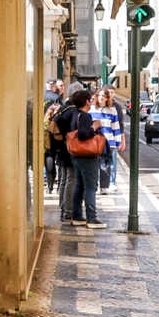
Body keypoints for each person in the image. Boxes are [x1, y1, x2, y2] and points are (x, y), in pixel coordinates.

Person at [54, 89, 104, 228]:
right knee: (90, 187)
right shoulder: (85, 116)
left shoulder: (74, 114)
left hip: (76, 155)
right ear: (87, 101)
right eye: (91, 99)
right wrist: (94, 127)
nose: (92, 101)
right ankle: (92, 218)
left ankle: (77, 216)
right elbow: (83, 134)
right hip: (87, 156)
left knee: (79, 185)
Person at [91, 88, 125, 193]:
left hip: (108, 142)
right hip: (94, 142)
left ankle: (104, 187)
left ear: (107, 98)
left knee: (105, 164)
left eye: (104, 96)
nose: (101, 98)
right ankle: (94, 185)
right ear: (96, 97)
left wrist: (118, 142)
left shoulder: (112, 110)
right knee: (94, 165)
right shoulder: (91, 109)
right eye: (99, 95)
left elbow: (116, 127)